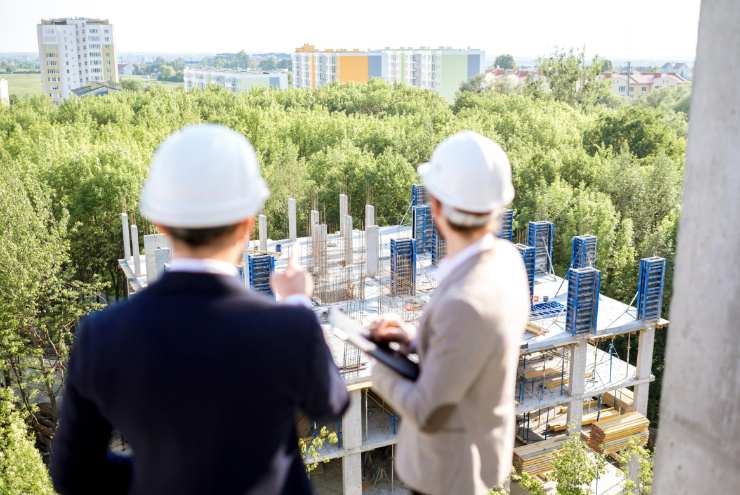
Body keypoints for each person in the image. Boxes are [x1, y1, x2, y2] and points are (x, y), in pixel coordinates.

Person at [51, 124, 349, 495]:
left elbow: (74, 474)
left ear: (160, 223)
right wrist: (297, 303)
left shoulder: (102, 334)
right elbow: (332, 404)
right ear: (247, 225)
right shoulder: (288, 327)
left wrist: (158, 477)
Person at [370, 131, 530, 495]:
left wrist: (377, 367)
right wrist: (416, 339)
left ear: (436, 207)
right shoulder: (507, 260)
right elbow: (476, 345)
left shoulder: (464, 302)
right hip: (477, 460)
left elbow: (428, 410)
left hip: (447, 476)